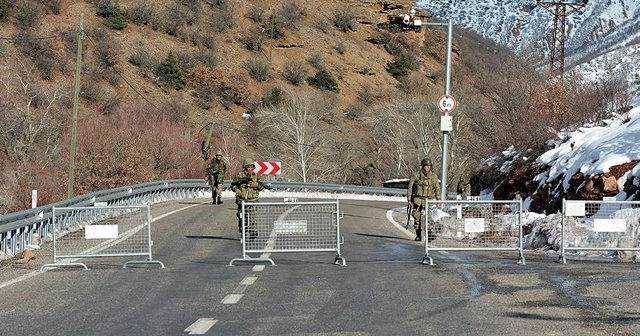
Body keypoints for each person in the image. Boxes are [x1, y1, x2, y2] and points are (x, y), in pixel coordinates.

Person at [231, 158, 266, 241]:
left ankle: (252, 232)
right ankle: (243, 232)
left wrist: (257, 184)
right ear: (245, 167)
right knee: (242, 217)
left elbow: (261, 187)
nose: (250, 169)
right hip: (242, 200)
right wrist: (237, 190)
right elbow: (233, 185)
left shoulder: (256, 176)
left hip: (253, 200)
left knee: (252, 218)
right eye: (248, 167)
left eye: (251, 167)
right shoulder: (239, 175)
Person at [407, 157, 440, 241]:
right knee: (416, 216)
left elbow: (437, 188)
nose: (428, 167)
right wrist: (409, 199)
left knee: (428, 217)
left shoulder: (433, 176)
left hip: (428, 199)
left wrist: (438, 200)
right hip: (418, 198)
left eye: (429, 166)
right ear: (422, 166)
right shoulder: (416, 175)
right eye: (426, 166)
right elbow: (410, 187)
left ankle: (429, 234)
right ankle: (418, 235)